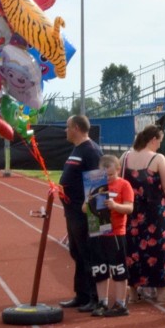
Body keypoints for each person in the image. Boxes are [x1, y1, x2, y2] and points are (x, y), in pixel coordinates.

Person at [121, 124, 165, 303]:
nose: (159, 146)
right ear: (153, 140)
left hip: (132, 212)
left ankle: (132, 292)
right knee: (160, 249)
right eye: (159, 142)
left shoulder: (125, 156)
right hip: (156, 213)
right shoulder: (158, 159)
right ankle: (161, 292)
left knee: (132, 250)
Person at [58, 115, 103, 312]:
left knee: (89, 253)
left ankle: (94, 297)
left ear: (76, 128)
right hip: (73, 211)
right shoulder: (77, 149)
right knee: (76, 252)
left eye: (67, 127)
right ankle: (81, 294)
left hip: (86, 213)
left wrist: (92, 212)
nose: (65, 131)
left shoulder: (91, 151)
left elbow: (98, 184)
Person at [84, 155, 134, 317]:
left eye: (111, 174)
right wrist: (90, 203)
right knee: (99, 269)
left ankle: (120, 303)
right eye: (104, 174)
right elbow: (84, 209)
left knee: (118, 269)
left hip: (116, 233)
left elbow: (129, 208)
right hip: (98, 232)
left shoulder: (123, 185)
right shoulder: (94, 185)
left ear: (118, 170)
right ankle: (102, 302)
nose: (107, 178)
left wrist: (114, 206)